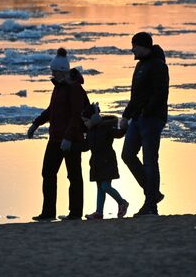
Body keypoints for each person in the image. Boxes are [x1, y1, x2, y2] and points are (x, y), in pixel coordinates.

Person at [28, 48, 90, 221]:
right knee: (48, 173)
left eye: (54, 70)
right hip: (55, 139)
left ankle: (75, 213)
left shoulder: (74, 89)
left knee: (74, 176)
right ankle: (48, 212)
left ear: (62, 71)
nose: (52, 73)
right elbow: (51, 111)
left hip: (70, 140)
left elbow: (76, 115)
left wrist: (68, 138)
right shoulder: (59, 87)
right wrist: (36, 124)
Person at [120, 32, 169, 216]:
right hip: (137, 119)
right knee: (127, 155)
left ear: (144, 46)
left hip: (152, 119)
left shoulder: (158, 65)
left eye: (135, 45)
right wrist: (126, 116)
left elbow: (160, 93)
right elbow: (135, 97)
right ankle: (153, 193)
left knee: (150, 161)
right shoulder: (140, 66)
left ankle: (150, 205)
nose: (132, 49)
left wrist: (147, 110)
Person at [81, 103, 129, 220]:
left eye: (86, 120)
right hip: (96, 162)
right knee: (100, 187)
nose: (85, 123)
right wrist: (73, 145)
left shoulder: (106, 127)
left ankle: (122, 202)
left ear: (94, 118)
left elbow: (118, 134)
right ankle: (99, 212)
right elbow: (86, 146)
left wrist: (125, 127)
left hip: (107, 160)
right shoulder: (90, 131)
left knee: (105, 186)